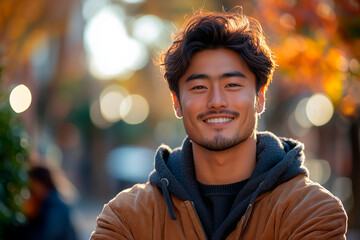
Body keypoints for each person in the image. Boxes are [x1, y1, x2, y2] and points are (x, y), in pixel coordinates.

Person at [90, 9, 347, 240]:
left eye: (232, 85)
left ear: (260, 97)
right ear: (177, 102)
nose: (216, 101)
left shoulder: (311, 211)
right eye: (199, 87)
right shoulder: (128, 217)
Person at [23, 165, 78, 240]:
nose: (31, 190)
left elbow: (46, 236)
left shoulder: (56, 208)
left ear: (40, 183)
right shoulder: (45, 203)